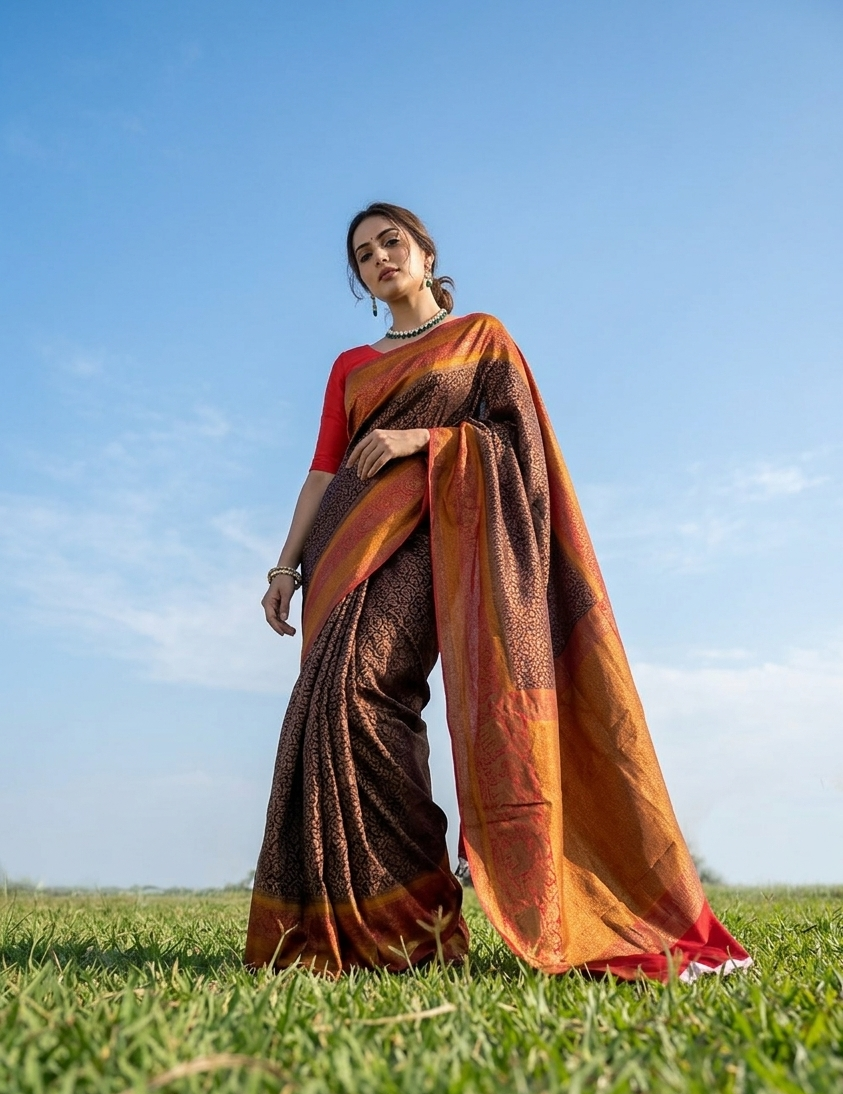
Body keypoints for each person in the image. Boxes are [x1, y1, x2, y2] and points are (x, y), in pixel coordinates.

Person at [244, 202, 751, 981]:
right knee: (330, 710)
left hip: (436, 538)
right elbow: (323, 468)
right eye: (363, 255)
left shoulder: (481, 338)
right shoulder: (349, 365)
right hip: (343, 548)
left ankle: (414, 922)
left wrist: (424, 440)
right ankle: (381, 925)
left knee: (365, 689)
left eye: (391, 243)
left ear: (425, 253)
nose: (379, 258)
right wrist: (285, 568)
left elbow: (521, 446)